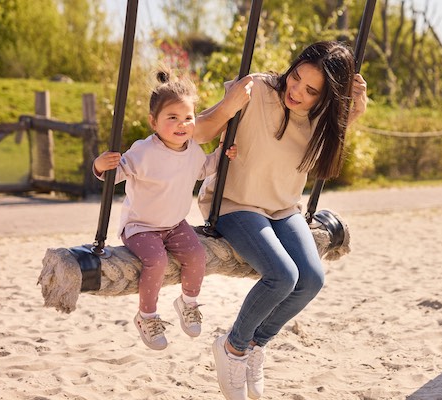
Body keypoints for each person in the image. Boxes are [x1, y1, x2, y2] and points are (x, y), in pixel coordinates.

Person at [197, 41, 368, 400]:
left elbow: (325, 157)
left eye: (310, 91)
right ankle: (233, 348)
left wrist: (353, 114)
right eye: (296, 78)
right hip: (235, 204)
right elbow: (200, 131)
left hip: (282, 209)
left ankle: (256, 344)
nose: (297, 92)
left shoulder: (322, 119)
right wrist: (228, 105)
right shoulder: (256, 89)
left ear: (325, 97)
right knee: (282, 276)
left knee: (311, 280)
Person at [92, 68, 249, 351]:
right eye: (172, 118)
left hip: (175, 224)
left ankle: (188, 302)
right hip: (141, 226)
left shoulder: (192, 150)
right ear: (154, 122)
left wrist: (222, 153)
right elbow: (115, 176)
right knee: (157, 260)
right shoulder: (144, 151)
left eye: (188, 118)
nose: (182, 124)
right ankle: (147, 315)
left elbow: (204, 170)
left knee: (197, 254)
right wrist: (101, 166)